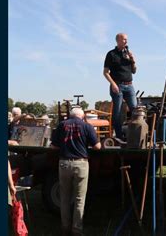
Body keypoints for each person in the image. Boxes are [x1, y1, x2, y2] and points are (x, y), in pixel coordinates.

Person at [50, 108, 101, 236]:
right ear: (82, 116)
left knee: (65, 198)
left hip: (64, 163)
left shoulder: (62, 125)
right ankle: (77, 230)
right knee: (79, 199)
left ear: (70, 115)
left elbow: (53, 146)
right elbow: (97, 146)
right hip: (81, 164)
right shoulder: (86, 126)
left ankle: (65, 228)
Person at [103, 33, 138, 140]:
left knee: (135, 109)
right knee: (117, 111)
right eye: (124, 39)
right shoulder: (111, 54)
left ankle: (135, 132)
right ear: (118, 40)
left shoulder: (128, 53)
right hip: (117, 85)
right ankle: (118, 135)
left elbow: (134, 71)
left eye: (127, 39)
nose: (126, 41)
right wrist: (113, 84)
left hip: (129, 85)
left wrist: (133, 60)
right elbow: (105, 72)